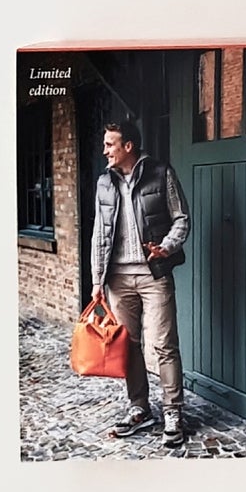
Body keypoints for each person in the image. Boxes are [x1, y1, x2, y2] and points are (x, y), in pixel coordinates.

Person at [89, 119, 190, 448]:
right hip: (118, 279)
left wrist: (167, 247)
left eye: (110, 144)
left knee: (163, 345)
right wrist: (97, 280)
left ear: (128, 146)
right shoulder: (104, 182)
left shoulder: (161, 173)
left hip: (153, 275)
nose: (105, 150)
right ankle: (139, 408)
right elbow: (99, 234)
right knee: (128, 345)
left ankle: (173, 411)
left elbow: (181, 218)